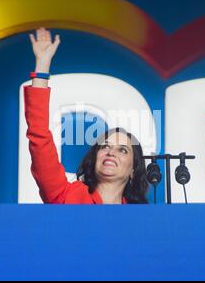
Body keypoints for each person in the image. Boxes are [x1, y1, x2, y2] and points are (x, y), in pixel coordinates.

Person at [25, 28, 148, 204]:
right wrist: (42, 65)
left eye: (122, 150)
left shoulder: (141, 216)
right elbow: (39, 135)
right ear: (95, 158)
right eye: (105, 147)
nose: (111, 152)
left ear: (133, 171)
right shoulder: (67, 195)